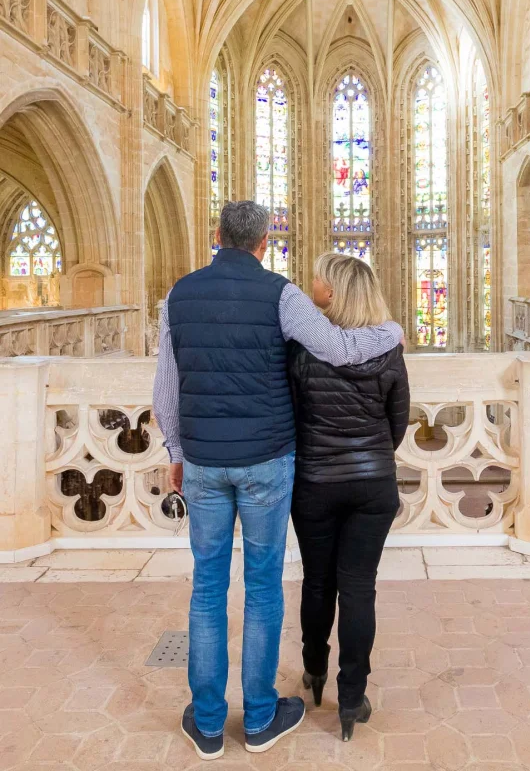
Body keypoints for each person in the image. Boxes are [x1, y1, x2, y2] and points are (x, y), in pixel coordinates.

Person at [152, 201, 404, 760]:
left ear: (216, 235)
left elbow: (166, 391)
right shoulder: (283, 294)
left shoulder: (178, 296)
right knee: (264, 588)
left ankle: (210, 724)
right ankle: (262, 718)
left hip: (202, 462)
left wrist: (175, 451)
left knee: (207, 590)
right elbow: (339, 348)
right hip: (268, 460)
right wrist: (392, 332)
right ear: (265, 242)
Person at [289, 252, 410, 742]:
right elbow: (397, 420)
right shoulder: (390, 349)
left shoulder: (302, 350)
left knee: (318, 582)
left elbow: (293, 415)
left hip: (315, 482)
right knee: (359, 587)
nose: (311, 283)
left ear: (333, 293)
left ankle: (314, 671)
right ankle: (352, 698)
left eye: (318, 278)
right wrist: (372, 457)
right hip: (373, 486)